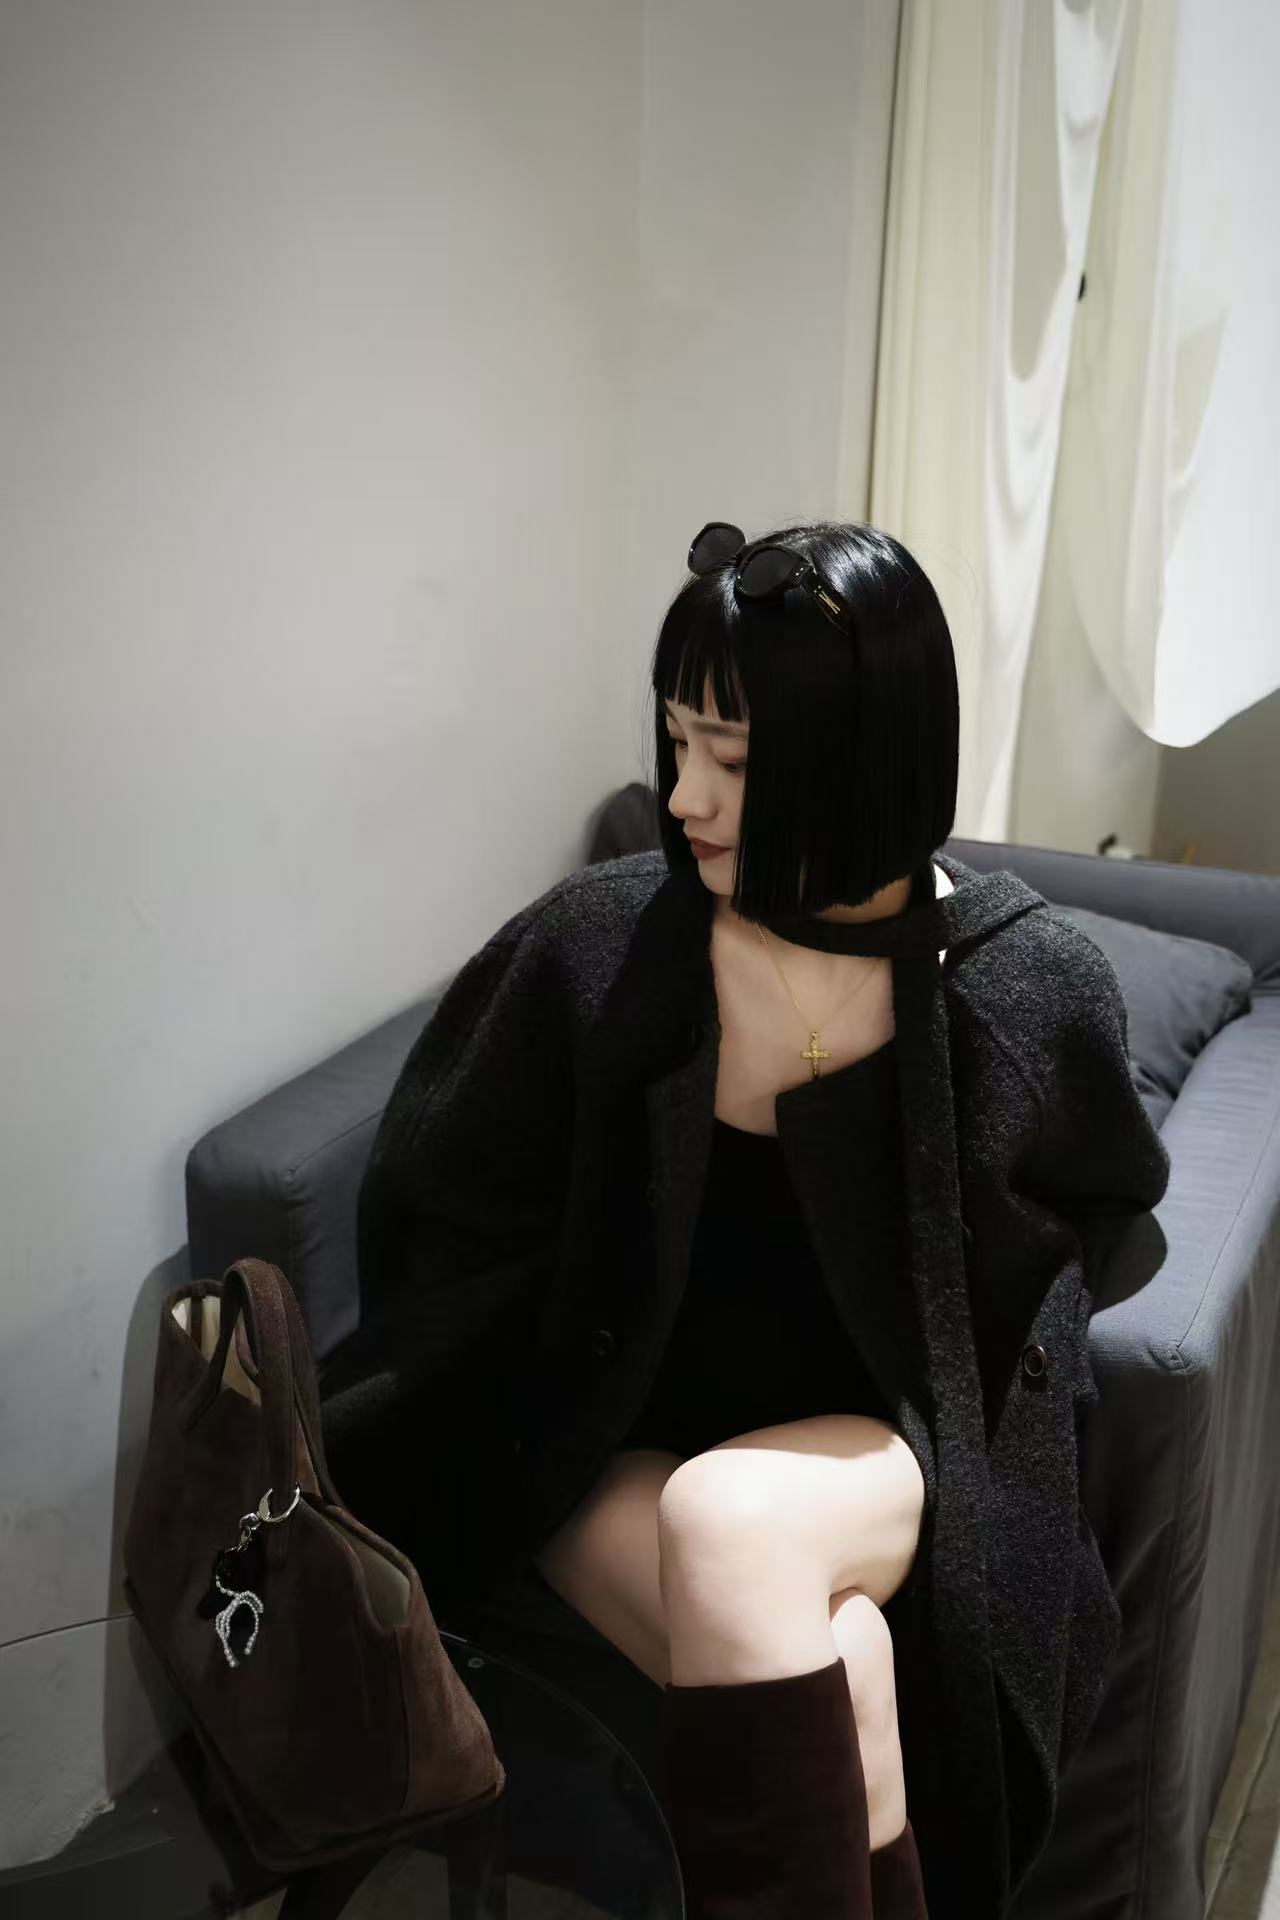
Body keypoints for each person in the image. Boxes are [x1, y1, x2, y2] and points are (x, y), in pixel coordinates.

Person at [318, 519, 1172, 1920]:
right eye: (676, 745)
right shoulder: (598, 950)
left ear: (865, 762)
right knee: (840, 1662)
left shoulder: (1023, 990)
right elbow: (438, 1207)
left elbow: (1095, 1216)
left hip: (881, 1452)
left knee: (733, 1519)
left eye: (733, 760)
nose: (684, 798)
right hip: (604, 1444)